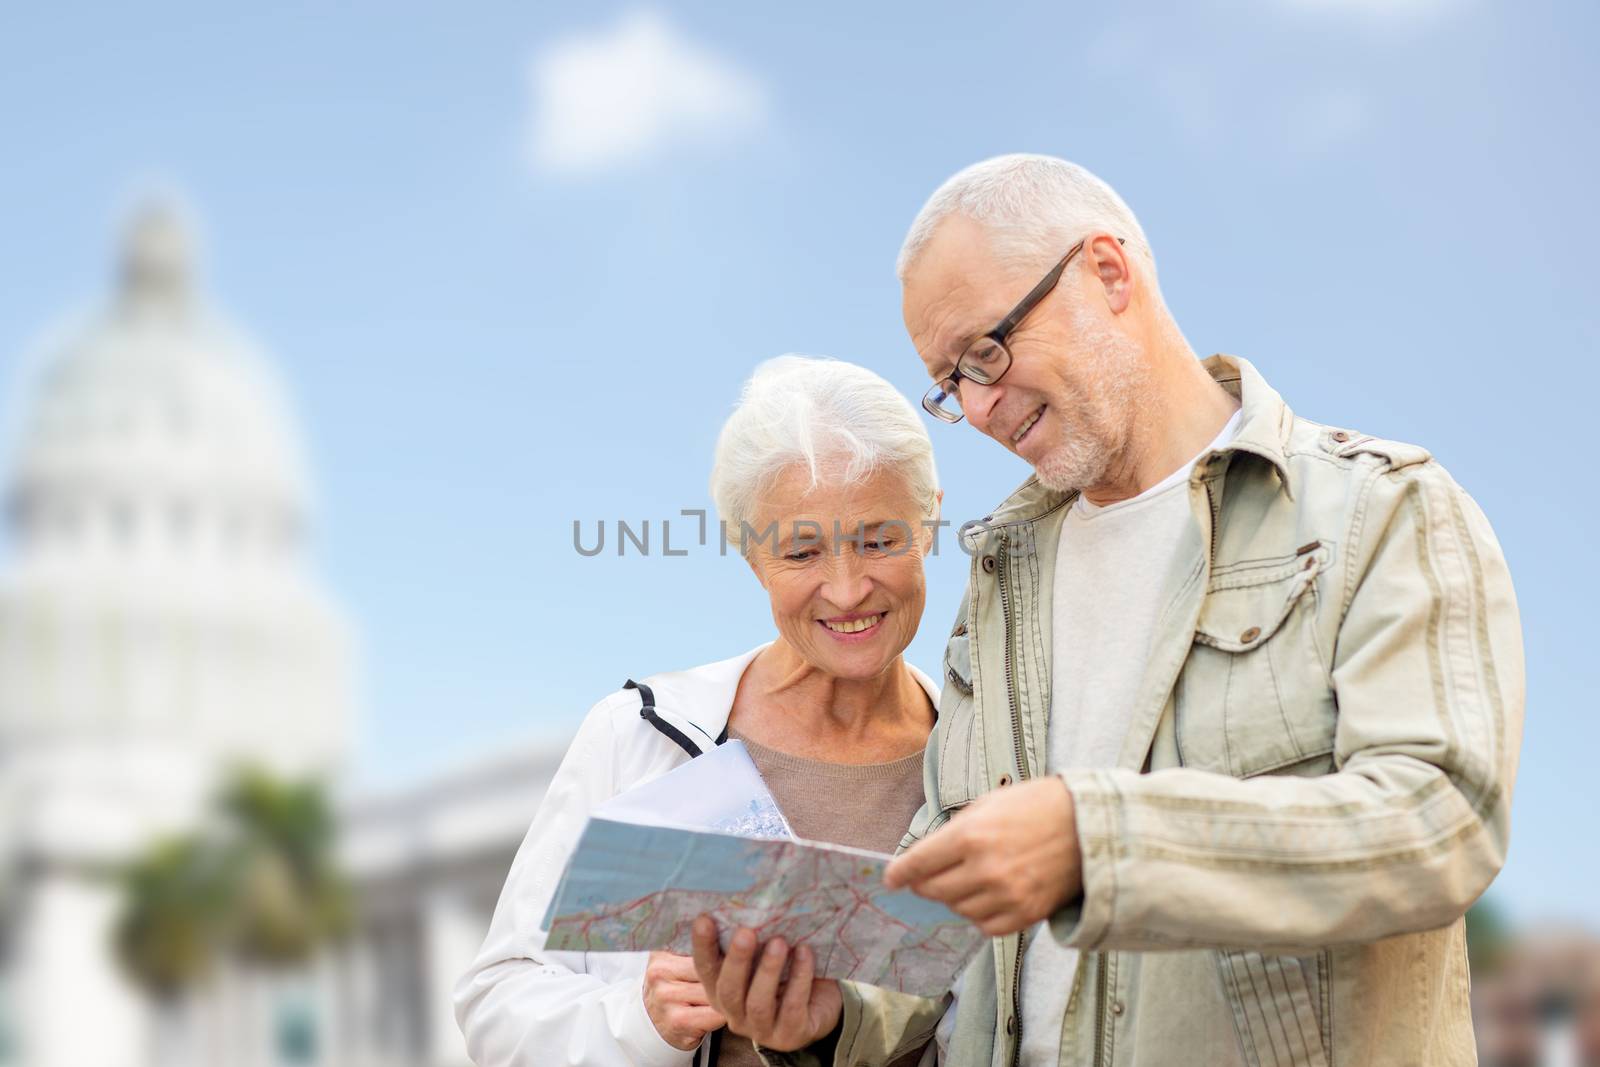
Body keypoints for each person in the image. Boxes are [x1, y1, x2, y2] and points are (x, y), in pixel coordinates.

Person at [693, 154, 1525, 1066]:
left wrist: (1101, 841)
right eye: (949, 383)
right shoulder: (1000, 578)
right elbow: (950, 905)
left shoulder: (1378, 511)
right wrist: (831, 1014)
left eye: (986, 353)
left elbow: (1440, 823)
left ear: (1108, 271)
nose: (976, 407)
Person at [454, 355, 944, 1067]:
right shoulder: (640, 735)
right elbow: (495, 1003)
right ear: (752, 558)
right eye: (801, 551)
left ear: (928, 519)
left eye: (878, 539)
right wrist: (644, 1019)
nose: (845, 589)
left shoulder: (976, 755)